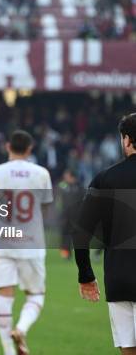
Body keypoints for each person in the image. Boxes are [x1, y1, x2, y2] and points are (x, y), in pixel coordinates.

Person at [0, 130, 53, 355]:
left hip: (3, 244)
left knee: (4, 295)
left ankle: (9, 351)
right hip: (32, 245)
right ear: (30, 149)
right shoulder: (41, 174)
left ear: (8, 147)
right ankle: (21, 328)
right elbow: (46, 210)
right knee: (36, 295)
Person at [73, 113, 136, 355]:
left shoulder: (105, 178)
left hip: (118, 280)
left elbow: (80, 232)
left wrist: (85, 274)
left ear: (127, 140)